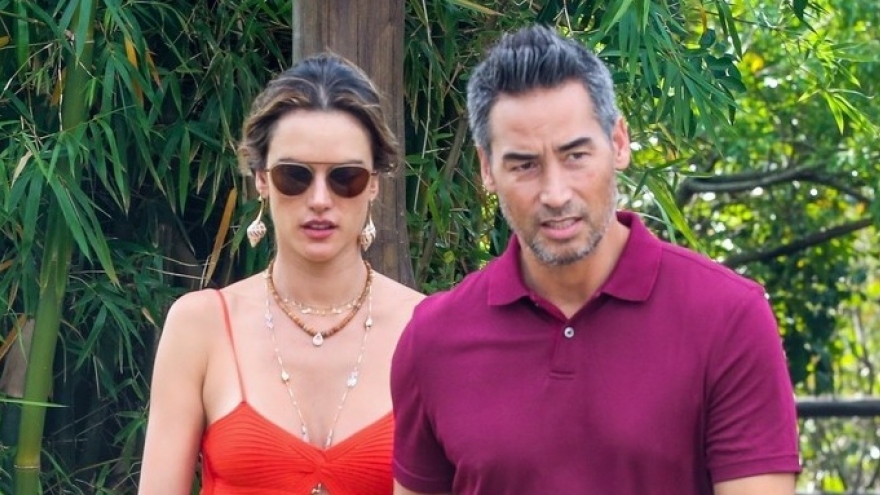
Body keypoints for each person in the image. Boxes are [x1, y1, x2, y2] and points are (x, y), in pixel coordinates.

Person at [390, 25, 800, 495]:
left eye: (575, 155)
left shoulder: (727, 315)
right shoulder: (434, 338)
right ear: (487, 169)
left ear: (619, 143)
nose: (555, 193)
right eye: (524, 165)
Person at [139, 53, 424, 495]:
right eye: (295, 176)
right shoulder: (201, 326)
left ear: (373, 183)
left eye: (345, 177)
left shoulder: (427, 329)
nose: (320, 199)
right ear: (261, 179)